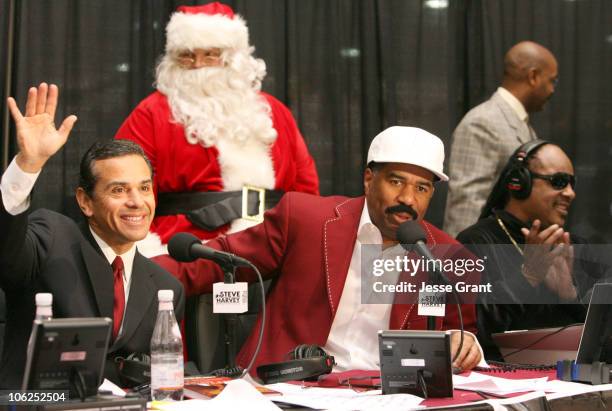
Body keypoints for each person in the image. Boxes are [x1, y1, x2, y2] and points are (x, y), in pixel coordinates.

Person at [156, 126, 485, 374]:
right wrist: (128, 274)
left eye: (422, 188)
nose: (408, 199)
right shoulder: (305, 220)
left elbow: (459, 334)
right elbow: (213, 261)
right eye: (396, 181)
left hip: (390, 397)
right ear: (369, 180)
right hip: (291, 387)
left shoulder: (445, 257)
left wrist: (464, 343)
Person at [0, 83, 185, 388]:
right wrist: (27, 165)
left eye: (144, 187)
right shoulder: (52, 240)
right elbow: (6, 254)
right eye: (118, 190)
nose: (137, 201)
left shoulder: (165, 288)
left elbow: (161, 379)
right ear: (85, 201)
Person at [115, 2, 319, 256]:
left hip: (275, 250)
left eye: (210, 54)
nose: (199, 64)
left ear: (233, 58)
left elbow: (305, 189)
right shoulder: (150, 114)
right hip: (188, 254)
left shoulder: (275, 112)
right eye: (187, 55)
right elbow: (122, 189)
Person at [457, 140, 609, 360]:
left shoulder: (575, 246)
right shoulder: (476, 242)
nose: (570, 193)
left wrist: (569, 296)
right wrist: (527, 277)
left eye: (572, 184)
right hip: (506, 384)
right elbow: (470, 332)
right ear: (520, 183)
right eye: (559, 182)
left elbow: (604, 339)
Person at [444, 41, 559, 237]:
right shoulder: (482, 122)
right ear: (533, 76)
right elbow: (466, 207)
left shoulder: (521, 124)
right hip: (483, 258)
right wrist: (461, 263)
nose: (552, 90)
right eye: (552, 81)